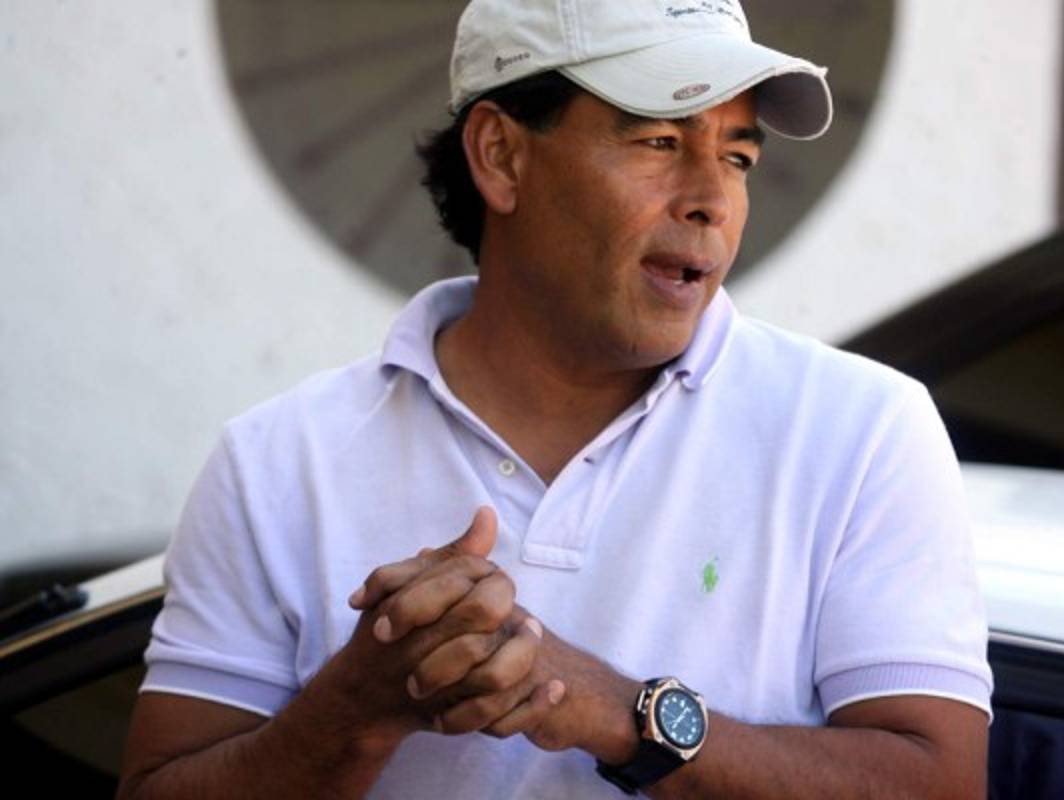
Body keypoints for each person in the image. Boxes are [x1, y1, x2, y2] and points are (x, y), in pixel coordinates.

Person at [118, 1, 993, 797]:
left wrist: (618, 711)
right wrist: (357, 704)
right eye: (660, 143)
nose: (712, 201)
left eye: (736, 156)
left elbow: (938, 786)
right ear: (501, 156)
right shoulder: (278, 460)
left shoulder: (862, 432)